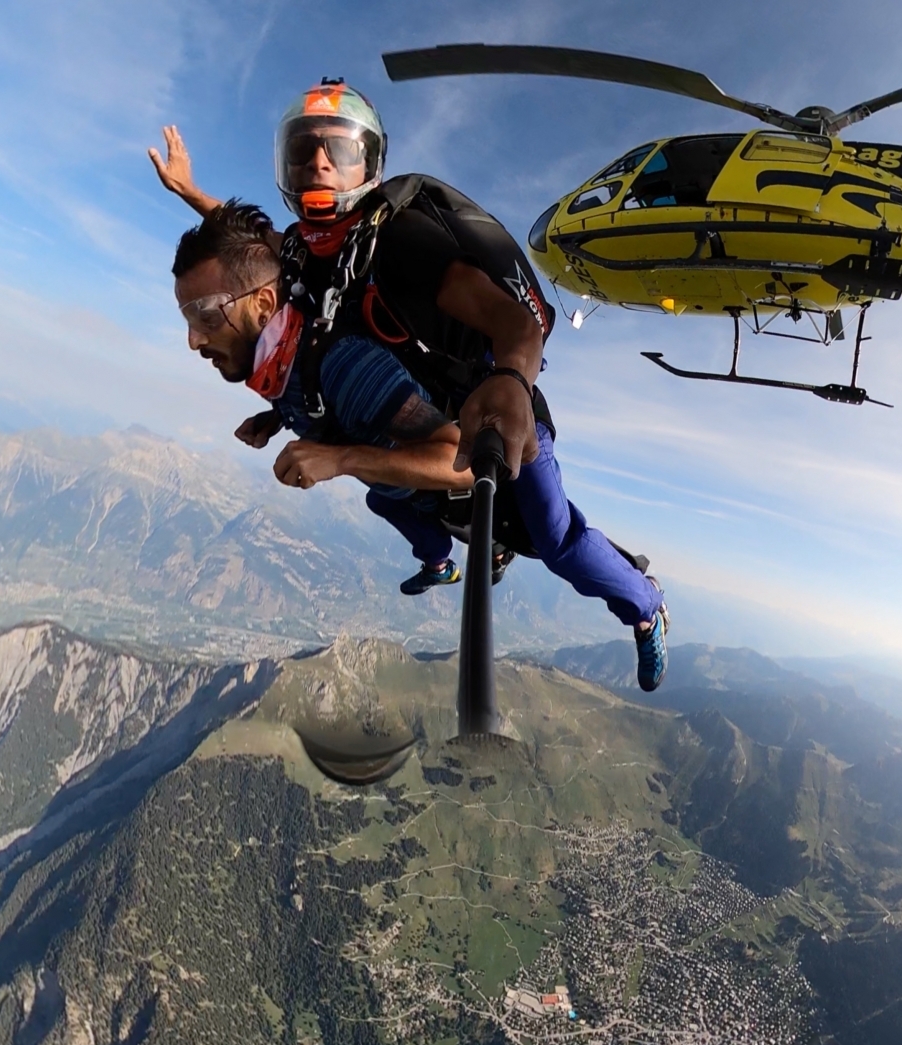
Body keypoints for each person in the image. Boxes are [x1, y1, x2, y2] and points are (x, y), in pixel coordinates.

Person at [152, 81, 669, 690]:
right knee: (389, 494)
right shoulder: (306, 251)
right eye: (304, 152)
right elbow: (247, 259)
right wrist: (191, 193)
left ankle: (644, 604)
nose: (319, 164)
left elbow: (517, 321)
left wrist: (510, 382)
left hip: (497, 415)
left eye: (336, 151)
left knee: (556, 542)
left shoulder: (400, 243)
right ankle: (475, 550)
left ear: (367, 164)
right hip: (425, 413)